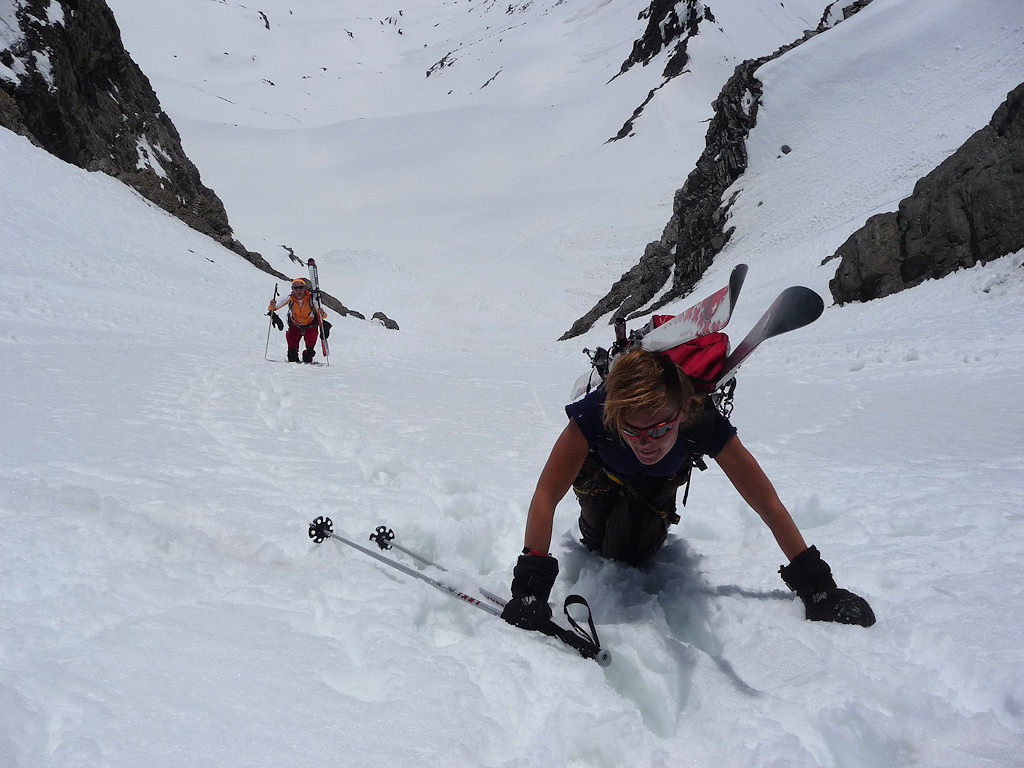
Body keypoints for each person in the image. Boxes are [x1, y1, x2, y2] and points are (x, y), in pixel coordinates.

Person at [501, 348, 875, 632]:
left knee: (633, 554)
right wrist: (530, 589)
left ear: (681, 413)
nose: (648, 443)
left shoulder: (702, 421)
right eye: (634, 431)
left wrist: (818, 586)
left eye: (661, 429)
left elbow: (766, 501)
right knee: (598, 542)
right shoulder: (597, 412)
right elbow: (546, 496)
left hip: (658, 485)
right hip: (601, 475)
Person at [268, 278, 326, 363]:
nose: (298, 290)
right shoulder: (290, 297)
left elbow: (323, 315)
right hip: (295, 327)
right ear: (292, 289)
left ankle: (306, 354)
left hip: (311, 327)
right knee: (292, 355)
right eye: (295, 287)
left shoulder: (312, 299)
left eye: (301, 287)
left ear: (305, 288)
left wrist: (322, 313)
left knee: (309, 354)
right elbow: (273, 308)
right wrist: (271, 305)